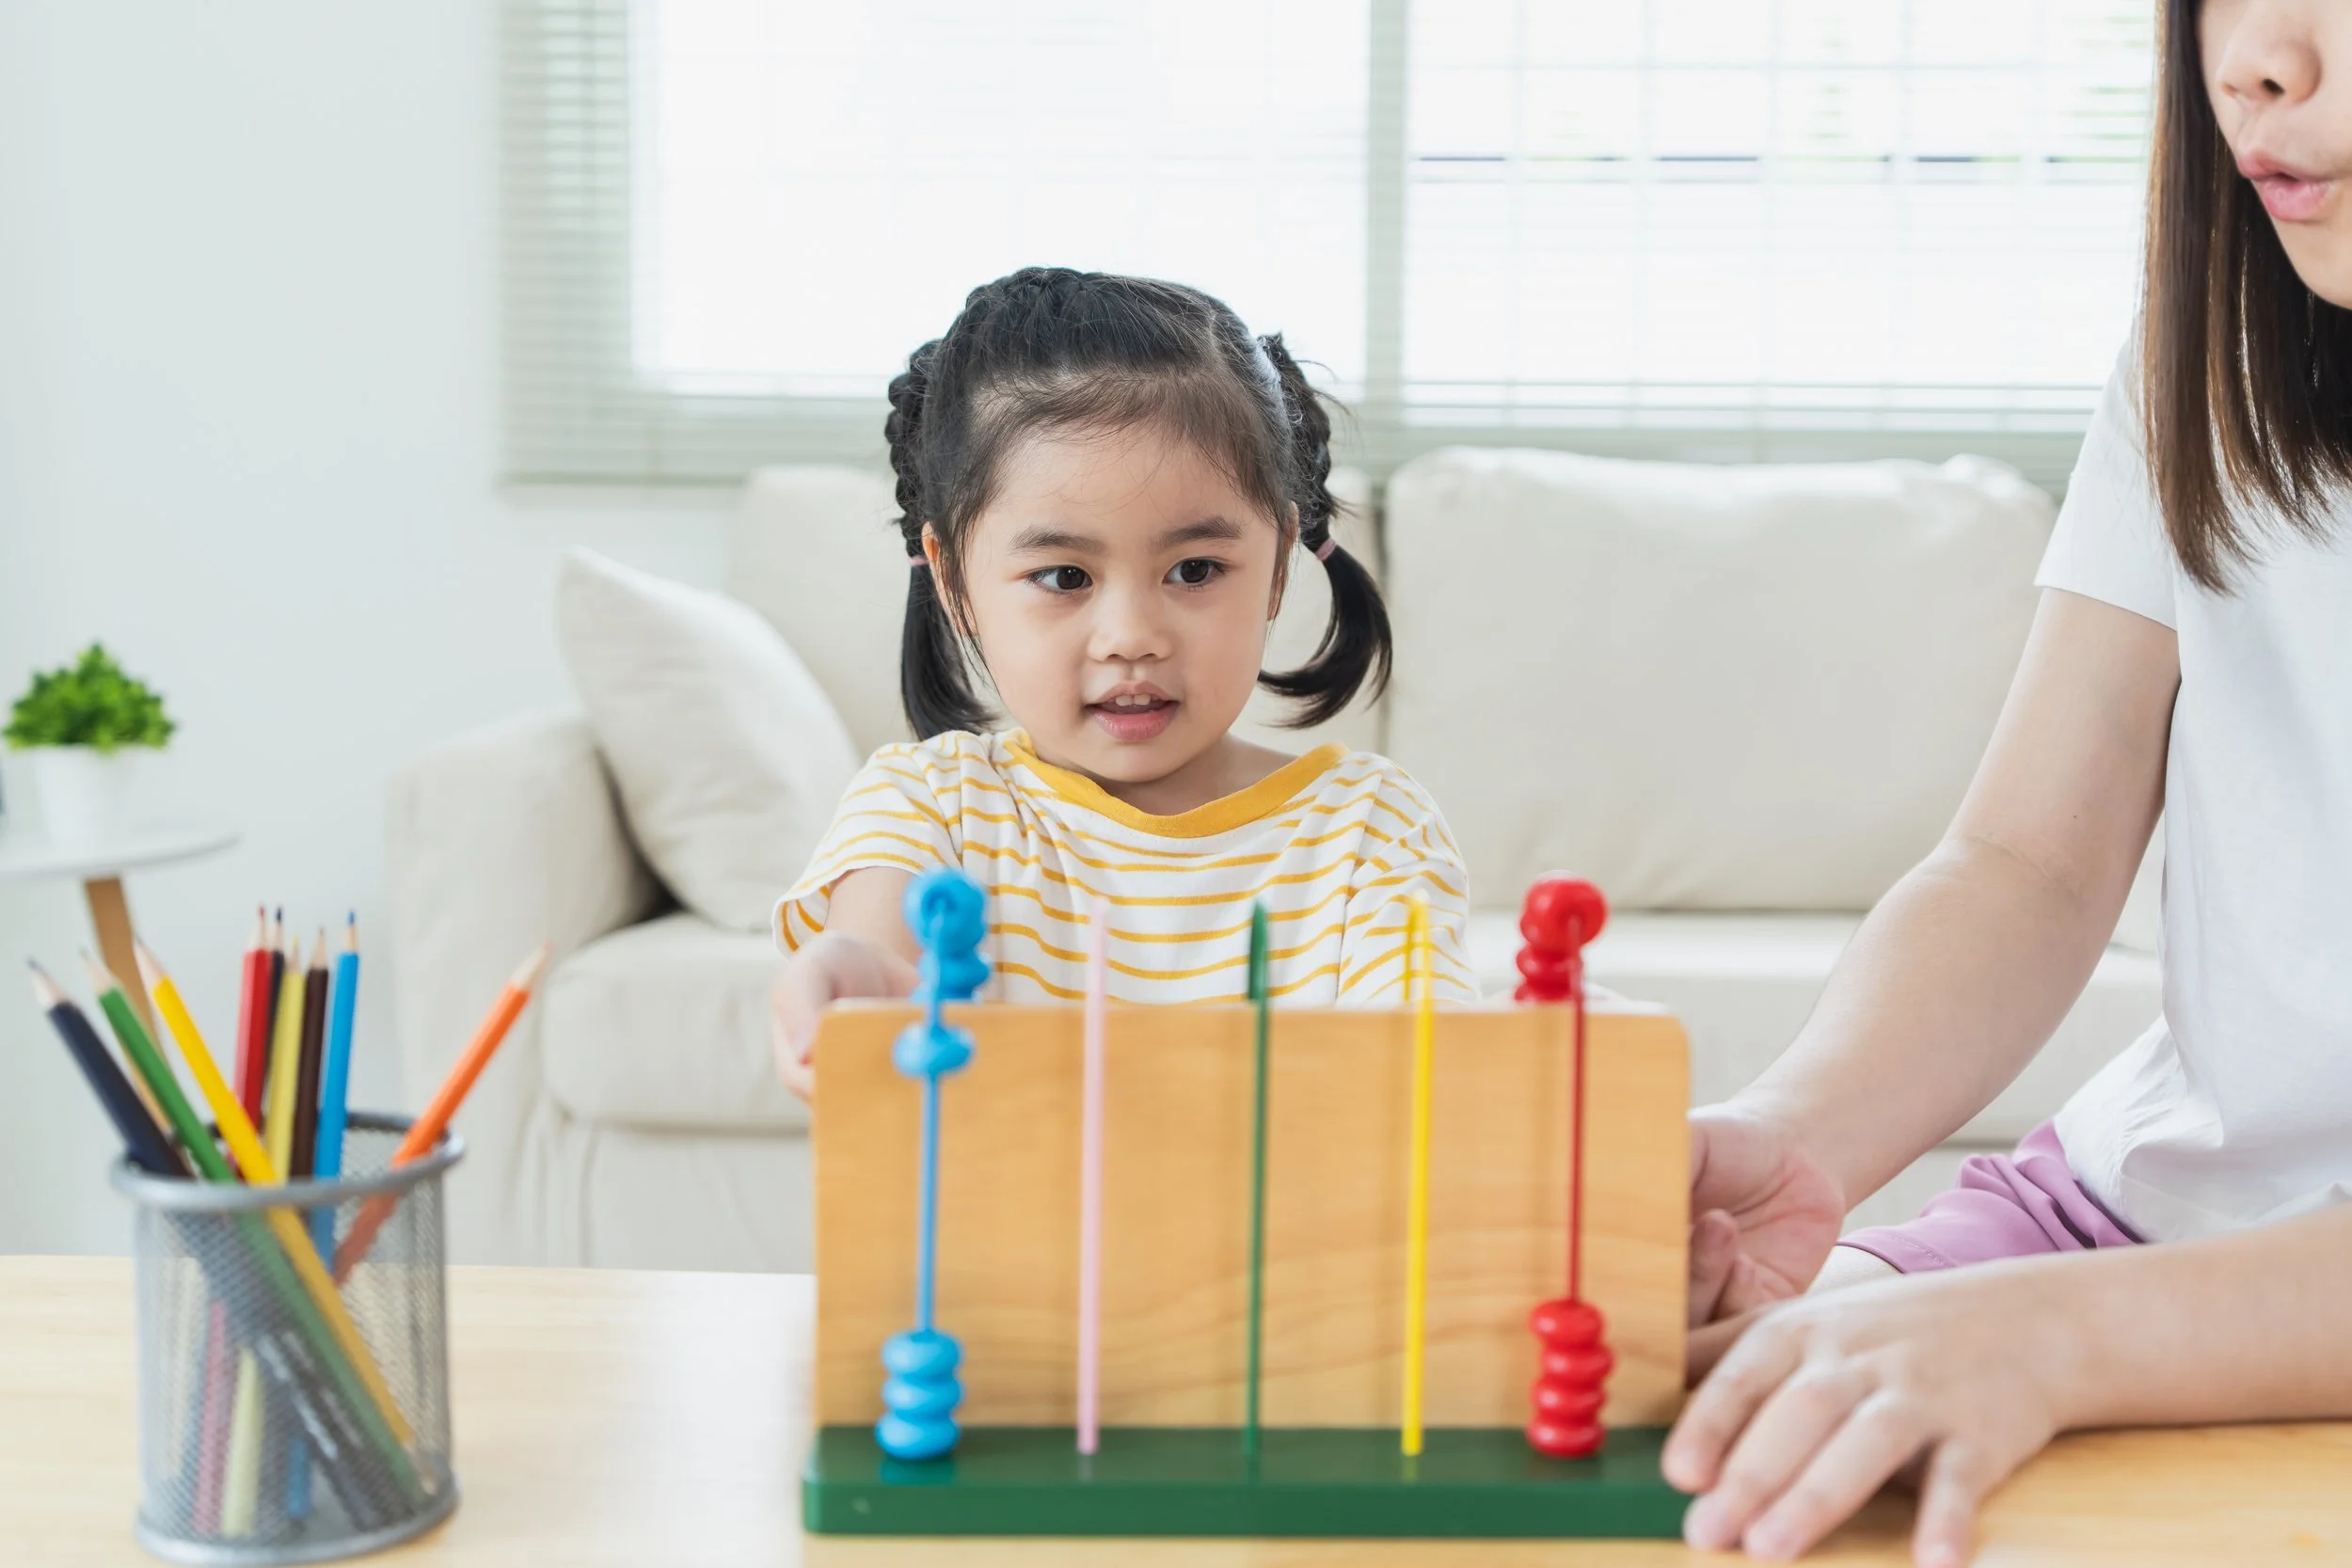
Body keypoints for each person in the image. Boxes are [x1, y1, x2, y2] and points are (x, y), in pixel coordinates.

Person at [1664, 2, 2352, 1561]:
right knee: (1670, 1453)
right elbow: (2029, 861)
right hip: (2106, 1222)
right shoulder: (2214, 354)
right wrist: (1803, 1137)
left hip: (2159, 1311)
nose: (2252, 58)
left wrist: (2051, 1339)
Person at [771, 268, 1474, 1098]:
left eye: (1196, 568)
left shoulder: (1370, 834)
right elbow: (881, 982)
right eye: (1065, 576)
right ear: (955, 580)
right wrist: (855, 985)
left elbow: (1423, 1103)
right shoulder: (929, 807)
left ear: (1278, 562)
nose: (1133, 636)